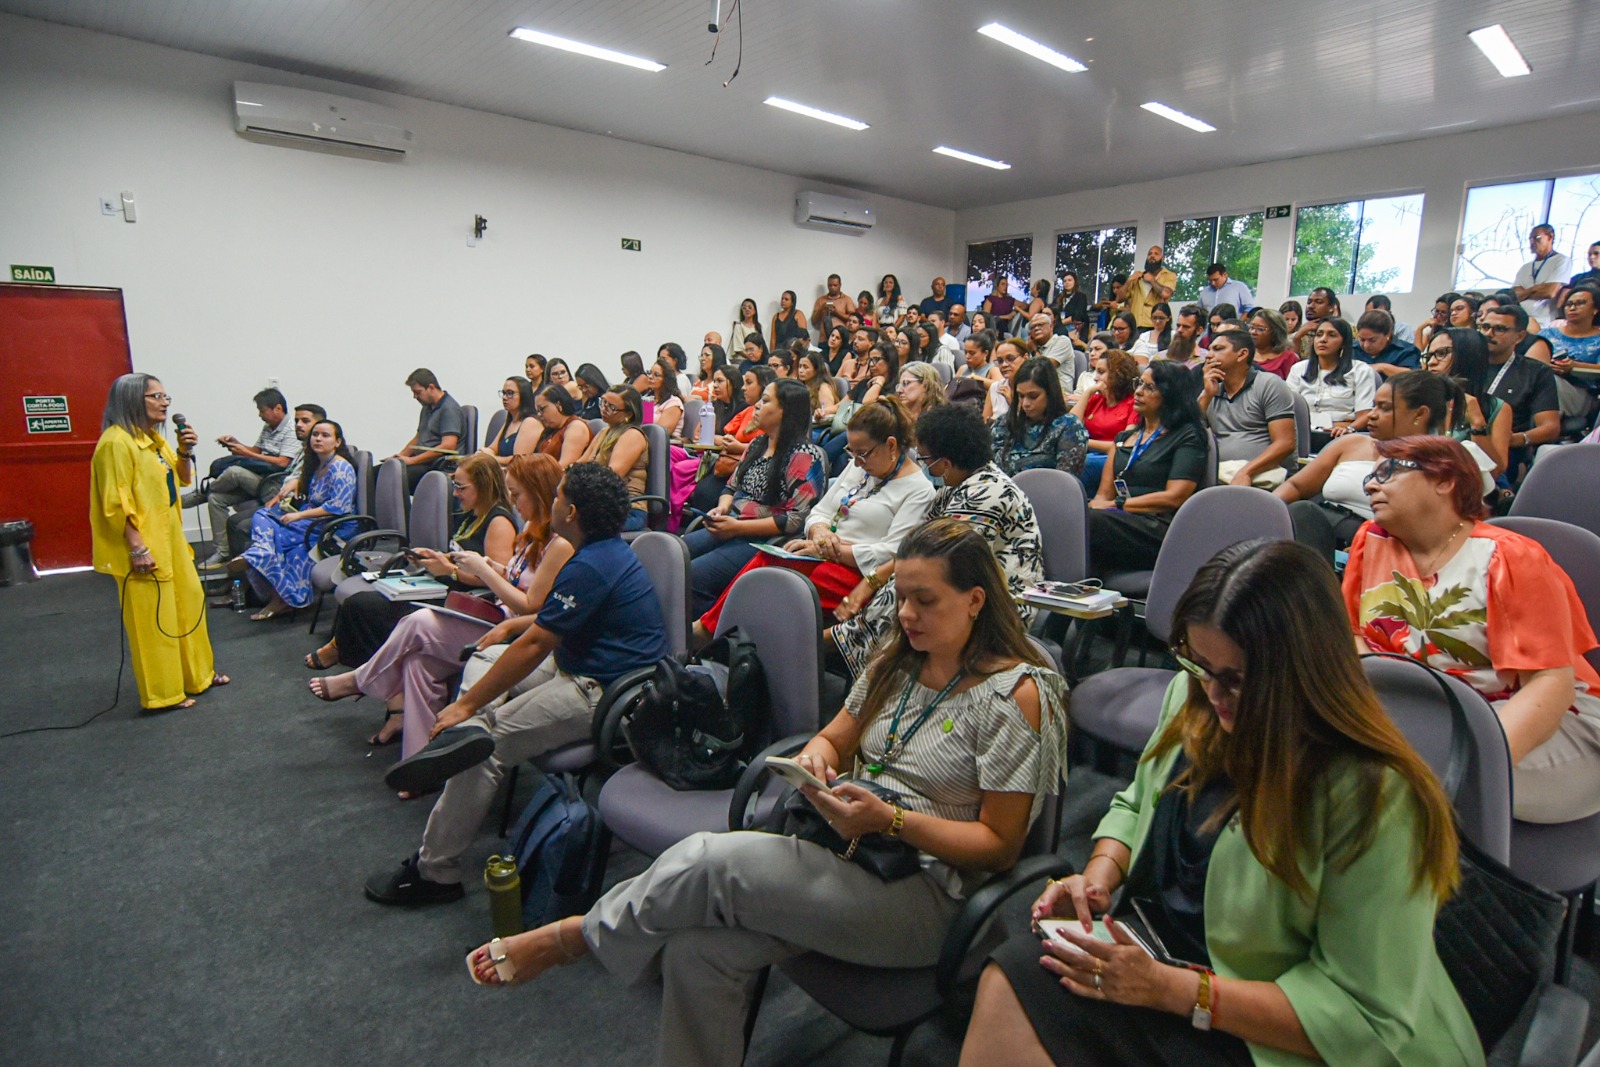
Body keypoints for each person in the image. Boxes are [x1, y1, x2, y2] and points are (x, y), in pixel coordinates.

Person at [467, 518, 1066, 1067]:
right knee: (698, 954)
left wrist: (890, 822)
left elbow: (1000, 847)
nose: (906, 613)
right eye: (901, 596)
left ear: (975, 599)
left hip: (930, 893)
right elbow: (834, 738)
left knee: (711, 860)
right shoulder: (901, 662)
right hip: (853, 849)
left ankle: (572, 938)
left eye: (925, 600)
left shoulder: (1016, 696)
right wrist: (817, 758)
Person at [965, 538, 1477, 1067]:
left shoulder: (1374, 796)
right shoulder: (1195, 700)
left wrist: (1171, 989)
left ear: (1301, 673)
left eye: (1235, 679)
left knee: (1028, 995)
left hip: (1277, 1029)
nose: (1212, 692)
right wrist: (1098, 877)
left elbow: (1365, 1020)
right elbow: (1137, 804)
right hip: (1171, 962)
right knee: (1016, 971)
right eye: (1199, 664)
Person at [366, 462, 669, 905]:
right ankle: (467, 731)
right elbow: (547, 625)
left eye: (560, 495)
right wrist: (508, 634)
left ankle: (435, 873)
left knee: (486, 748)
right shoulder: (596, 551)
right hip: (577, 664)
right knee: (486, 664)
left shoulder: (592, 564)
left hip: (608, 693)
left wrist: (466, 705)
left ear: (572, 511)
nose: (554, 501)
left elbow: (536, 644)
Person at [1347, 435, 1600, 823]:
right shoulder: (1372, 541)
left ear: (1444, 480)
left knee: (1400, 778)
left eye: (1389, 472)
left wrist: (1473, 761)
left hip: (1548, 720)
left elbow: (1550, 685)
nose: (1370, 485)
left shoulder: (1509, 557)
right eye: (1371, 475)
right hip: (1429, 711)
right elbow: (1354, 635)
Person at [308, 455, 572, 755]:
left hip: (511, 631)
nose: (512, 501)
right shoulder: (532, 531)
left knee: (419, 621)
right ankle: (420, 758)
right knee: (418, 664)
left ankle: (360, 680)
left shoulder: (559, 544)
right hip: (496, 616)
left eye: (517, 494)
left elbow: (530, 605)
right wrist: (485, 565)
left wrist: (482, 570)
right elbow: (516, 578)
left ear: (538, 493)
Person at [694, 398, 935, 639]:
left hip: (861, 576)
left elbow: (894, 553)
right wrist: (820, 532)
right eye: (852, 452)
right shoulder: (860, 467)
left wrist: (832, 550)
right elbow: (819, 511)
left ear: (891, 445)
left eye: (862, 454)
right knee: (768, 560)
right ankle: (719, 633)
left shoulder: (918, 490)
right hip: (821, 556)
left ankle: (712, 632)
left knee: (776, 579)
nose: (856, 462)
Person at [831, 407, 1044, 678]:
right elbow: (917, 543)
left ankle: (851, 652)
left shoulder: (988, 492)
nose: (922, 465)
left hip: (999, 603)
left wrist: (870, 581)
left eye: (925, 458)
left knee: (913, 585)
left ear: (946, 462)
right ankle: (857, 654)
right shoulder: (954, 488)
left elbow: (935, 556)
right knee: (906, 582)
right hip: (963, 585)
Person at [308, 452, 521, 671]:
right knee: (362, 600)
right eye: (454, 486)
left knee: (364, 606)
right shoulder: (473, 514)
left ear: (484, 486)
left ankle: (363, 666)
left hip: (460, 600)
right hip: (443, 586)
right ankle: (367, 666)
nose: (455, 493)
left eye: (461, 487)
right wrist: (434, 557)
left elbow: (496, 580)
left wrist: (450, 571)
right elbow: (462, 555)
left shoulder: (498, 522)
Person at [90, 373, 224, 711]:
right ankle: (163, 694)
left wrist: (184, 450)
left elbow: (181, 480)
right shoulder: (116, 443)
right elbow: (114, 503)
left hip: (171, 539)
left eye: (166, 397)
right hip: (143, 545)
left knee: (188, 603)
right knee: (153, 621)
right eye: (156, 396)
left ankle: (198, 676)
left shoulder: (151, 439)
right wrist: (138, 548)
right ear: (131, 400)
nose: (164, 403)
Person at [1278, 371, 1491, 565]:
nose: (1372, 415)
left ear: (1420, 414)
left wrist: (1375, 542)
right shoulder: (1351, 444)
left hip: (1385, 542)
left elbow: (1455, 525)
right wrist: (1269, 510)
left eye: (1385, 408)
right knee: (1299, 513)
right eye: (1374, 406)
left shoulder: (1445, 461)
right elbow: (1296, 486)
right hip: (1318, 528)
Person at [684, 379, 828, 614]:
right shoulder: (758, 443)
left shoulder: (806, 455)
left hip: (761, 539)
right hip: (731, 523)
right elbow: (731, 487)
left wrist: (736, 528)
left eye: (766, 400)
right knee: (675, 554)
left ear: (785, 411)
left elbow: (794, 520)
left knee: (694, 576)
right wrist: (722, 508)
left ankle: (711, 631)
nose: (758, 406)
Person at [1087, 362, 1208, 575]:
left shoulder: (1188, 436)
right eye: (1139, 384)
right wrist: (1094, 507)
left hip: (1158, 526)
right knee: (1073, 513)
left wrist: (1116, 504)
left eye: (1149, 387)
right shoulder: (1123, 439)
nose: (1139, 392)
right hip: (1119, 520)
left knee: (1092, 520)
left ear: (1171, 395)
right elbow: (1102, 496)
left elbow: (1175, 497)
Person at [237, 419, 358, 621]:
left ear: (337, 442)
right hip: (314, 521)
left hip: (334, 527)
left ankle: (283, 595)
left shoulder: (340, 468)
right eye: (315, 434)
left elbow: (338, 507)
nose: (318, 439)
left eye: (325, 435)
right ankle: (263, 552)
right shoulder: (319, 464)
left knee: (281, 541)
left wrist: (299, 515)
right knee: (263, 514)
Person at [186, 387, 303, 570]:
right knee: (215, 499)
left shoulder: (291, 430)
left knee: (235, 472)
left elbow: (283, 462)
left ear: (278, 409)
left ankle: (200, 494)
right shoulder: (269, 427)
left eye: (262, 410)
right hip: (258, 478)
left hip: (274, 484)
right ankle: (222, 552)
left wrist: (246, 453)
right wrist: (236, 444)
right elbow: (256, 451)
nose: (259, 415)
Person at [218, 404, 326, 564]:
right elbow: (291, 476)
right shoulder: (303, 450)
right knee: (233, 521)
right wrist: (277, 498)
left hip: (298, 508)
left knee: (242, 526)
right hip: (284, 501)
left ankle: (257, 572)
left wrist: (298, 483)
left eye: (305, 421)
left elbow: (313, 486)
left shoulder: (322, 456)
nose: (298, 425)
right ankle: (240, 574)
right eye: (296, 421)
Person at [1198, 326, 1297, 488]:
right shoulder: (1212, 390)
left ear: (1242, 354)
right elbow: (1189, 436)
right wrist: (1207, 395)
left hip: (1261, 477)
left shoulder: (1269, 384)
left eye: (1218, 349)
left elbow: (1285, 443)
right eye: (1209, 350)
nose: (1208, 355)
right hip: (1217, 475)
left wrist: (1246, 472)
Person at [1479, 303, 1560, 475]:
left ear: (1519, 336)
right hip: (1463, 442)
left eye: (1499, 329)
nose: (1488, 334)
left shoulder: (1536, 371)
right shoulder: (1465, 363)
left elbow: (1550, 427)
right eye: (1485, 327)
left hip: (1506, 448)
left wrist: (1518, 439)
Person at [1421, 327, 1511, 477]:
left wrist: (1477, 423)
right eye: (1428, 356)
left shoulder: (1497, 407)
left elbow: (1495, 472)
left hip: (1467, 484)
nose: (1431, 362)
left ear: (1468, 355)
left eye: (1441, 353)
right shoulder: (1417, 399)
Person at [684, 365, 769, 515]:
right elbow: (725, 434)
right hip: (729, 463)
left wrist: (738, 446)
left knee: (691, 478)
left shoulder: (766, 416)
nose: (743, 388)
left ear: (764, 386)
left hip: (746, 467)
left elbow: (768, 447)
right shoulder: (745, 411)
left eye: (749, 383)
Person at [992, 357, 1090, 479]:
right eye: (1021, 396)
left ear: (1050, 393)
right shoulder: (1005, 423)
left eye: (1033, 396)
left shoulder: (1069, 427)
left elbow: (1064, 481)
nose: (1025, 403)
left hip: (1047, 490)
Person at [1288, 318, 1376, 449]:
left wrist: (1349, 428)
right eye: (1319, 334)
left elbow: (1364, 415)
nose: (1323, 340)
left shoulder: (1360, 370)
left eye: (1332, 335)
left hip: (1339, 436)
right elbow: (1287, 408)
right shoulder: (1298, 369)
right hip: (1301, 434)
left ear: (1344, 343)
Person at [577, 385, 651, 533]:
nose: (604, 409)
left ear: (628, 413)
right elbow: (580, 464)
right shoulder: (604, 432)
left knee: (574, 525)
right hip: (602, 506)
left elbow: (611, 477)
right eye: (603, 402)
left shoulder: (632, 435)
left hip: (628, 510)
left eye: (611, 407)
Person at [1071, 347, 1141, 492]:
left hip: (1113, 458)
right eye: (1095, 371)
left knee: (1081, 463)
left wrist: (1084, 443)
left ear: (1118, 375)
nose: (1096, 377)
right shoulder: (1096, 399)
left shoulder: (1133, 404)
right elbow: (1070, 426)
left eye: (1101, 372)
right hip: (1087, 452)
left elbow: (1123, 447)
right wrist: (1087, 393)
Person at [387, 369, 463, 492]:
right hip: (422, 462)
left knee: (394, 478)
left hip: (437, 465)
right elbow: (418, 438)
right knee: (380, 472)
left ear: (431, 387)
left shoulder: (449, 409)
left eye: (418, 392)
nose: (415, 397)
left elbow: (448, 446)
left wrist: (412, 461)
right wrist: (400, 457)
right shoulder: (427, 408)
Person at [1543, 283, 1600, 416]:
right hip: (1542, 382)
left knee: (1550, 380)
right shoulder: (1547, 334)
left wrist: (1574, 366)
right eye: (1569, 304)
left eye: (1580, 303)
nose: (1572, 308)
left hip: (1580, 391)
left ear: (1595, 309)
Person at [1514, 223, 1572, 326]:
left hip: (1544, 322)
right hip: (1520, 319)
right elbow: (1514, 296)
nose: (1532, 242)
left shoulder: (1561, 261)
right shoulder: (1525, 267)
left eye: (1537, 238)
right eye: (1530, 239)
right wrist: (1535, 288)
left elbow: (1550, 292)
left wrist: (1525, 292)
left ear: (1550, 237)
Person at [480, 377, 538, 466]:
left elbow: (518, 460)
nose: (504, 397)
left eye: (510, 393)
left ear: (524, 395)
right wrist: (482, 453)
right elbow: (492, 449)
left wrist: (492, 458)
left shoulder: (530, 422)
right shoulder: (510, 421)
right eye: (504, 393)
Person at [530, 386, 591, 468]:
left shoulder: (576, 427)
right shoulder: (552, 430)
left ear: (559, 405)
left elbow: (566, 465)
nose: (539, 414)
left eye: (542, 409)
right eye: (538, 411)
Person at [1353, 309, 1422, 379]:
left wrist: (1383, 367)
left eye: (1372, 340)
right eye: (1362, 339)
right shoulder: (1352, 349)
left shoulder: (1407, 351)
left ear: (1388, 335)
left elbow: (1414, 377)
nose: (1366, 345)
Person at [1125, 247, 1177, 329]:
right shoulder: (1137, 277)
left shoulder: (1169, 275)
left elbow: (1165, 293)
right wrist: (1129, 280)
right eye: (1150, 254)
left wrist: (1152, 280)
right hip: (1136, 324)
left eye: (1156, 254)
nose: (1152, 256)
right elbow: (1119, 298)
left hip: (1156, 325)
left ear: (1162, 258)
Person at [984, 337, 1032, 423]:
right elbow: (984, 423)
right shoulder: (995, 387)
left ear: (1025, 358)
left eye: (1010, 359)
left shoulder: (1035, 387)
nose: (1004, 365)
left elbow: (1031, 424)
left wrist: (1012, 401)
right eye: (1000, 361)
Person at [1245, 308, 1299, 379]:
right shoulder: (1244, 353)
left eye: (1260, 329)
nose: (1253, 332)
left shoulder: (1288, 358)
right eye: (1251, 327)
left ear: (1275, 332)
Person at [643, 356, 685, 441]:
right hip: (646, 442)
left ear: (666, 380)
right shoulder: (648, 399)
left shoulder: (673, 403)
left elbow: (660, 434)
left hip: (665, 445)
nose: (650, 377)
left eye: (656, 375)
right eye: (650, 373)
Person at [796, 348, 842, 425]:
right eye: (800, 366)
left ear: (816, 369)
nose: (800, 370)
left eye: (805, 367)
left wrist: (819, 414)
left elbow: (827, 416)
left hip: (816, 427)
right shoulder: (800, 385)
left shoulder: (823, 388)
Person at [811, 274, 853, 339]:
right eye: (830, 285)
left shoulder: (847, 299)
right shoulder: (821, 300)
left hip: (841, 339)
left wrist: (836, 312)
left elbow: (852, 319)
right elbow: (814, 321)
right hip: (824, 339)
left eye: (835, 285)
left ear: (840, 285)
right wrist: (821, 309)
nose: (832, 288)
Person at [1054, 272, 1090, 341]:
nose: (1067, 282)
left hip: (1076, 328)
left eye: (1069, 280)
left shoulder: (1081, 296)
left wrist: (1062, 322)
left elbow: (1079, 315)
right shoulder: (1059, 298)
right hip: (1060, 327)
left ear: (1075, 282)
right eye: (1065, 281)